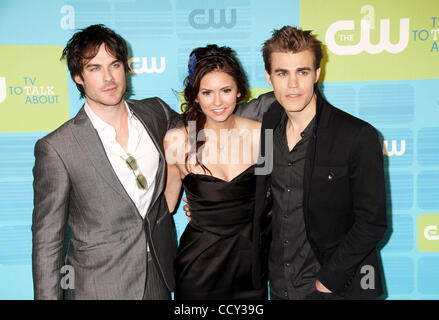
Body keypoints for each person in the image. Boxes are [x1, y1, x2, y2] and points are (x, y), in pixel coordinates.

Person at [187, 26, 387, 300]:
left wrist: (328, 282)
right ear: (269, 77)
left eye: (302, 72)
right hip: (278, 285)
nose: (293, 85)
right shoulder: (266, 128)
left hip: (333, 287)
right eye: (282, 73)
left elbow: (372, 223)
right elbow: (211, 117)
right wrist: (211, 204)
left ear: (317, 73)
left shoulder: (356, 135)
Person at [32, 24, 179, 300]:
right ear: (78, 76)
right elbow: (47, 241)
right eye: (95, 68)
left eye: (114, 65)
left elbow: (201, 132)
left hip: (157, 280)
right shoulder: (57, 148)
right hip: (97, 287)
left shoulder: (156, 113)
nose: (109, 78)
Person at [163, 44, 266, 300]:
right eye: (207, 92)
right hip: (198, 268)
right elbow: (163, 207)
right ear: (195, 96)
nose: (217, 102)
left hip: (251, 268)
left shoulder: (262, 135)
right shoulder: (178, 141)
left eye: (226, 90)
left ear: (239, 91)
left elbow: (275, 199)